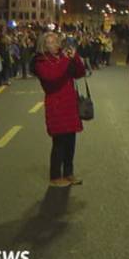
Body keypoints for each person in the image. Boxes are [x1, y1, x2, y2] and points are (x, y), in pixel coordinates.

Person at [33, 32, 87, 187]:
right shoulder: (41, 62)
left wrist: (74, 57)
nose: (56, 44)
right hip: (56, 106)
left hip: (70, 104)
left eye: (56, 41)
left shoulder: (61, 58)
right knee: (59, 143)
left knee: (71, 142)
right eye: (51, 42)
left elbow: (80, 73)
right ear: (44, 46)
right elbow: (53, 76)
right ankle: (55, 176)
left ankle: (68, 173)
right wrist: (65, 59)